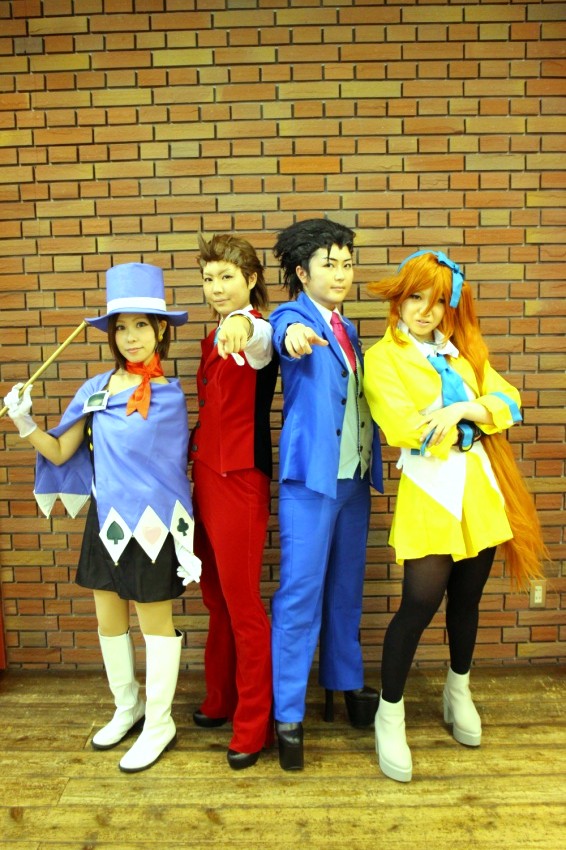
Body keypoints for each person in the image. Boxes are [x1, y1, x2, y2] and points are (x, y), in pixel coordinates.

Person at [3, 262, 201, 773]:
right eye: (121, 327)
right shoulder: (94, 389)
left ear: (161, 330)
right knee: (108, 619)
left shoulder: (171, 396)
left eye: (141, 325)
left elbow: (169, 466)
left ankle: (159, 723)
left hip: (155, 524)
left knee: (154, 623)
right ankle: (128, 706)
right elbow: (61, 450)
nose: (130, 337)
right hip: (108, 521)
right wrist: (24, 420)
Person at [364, 249, 547, 783]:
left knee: (467, 600)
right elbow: (404, 427)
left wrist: (462, 408)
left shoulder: (462, 354)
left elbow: (509, 401)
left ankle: (458, 690)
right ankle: (389, 714)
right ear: (399, 299)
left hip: (479, 490)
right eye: (416, 297)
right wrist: (475, 420)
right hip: (430, 491)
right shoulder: (383, 358)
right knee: (418, 604)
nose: (426, 310)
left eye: (439, 301)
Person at [268, 218, 383, 771]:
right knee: (299, 595)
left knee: (345, 591)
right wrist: (290, 335)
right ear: (302, 272)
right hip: (311, 483)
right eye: (328, 265)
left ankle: (346, 680)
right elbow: (282, 333)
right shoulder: (292, 317)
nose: (340, 274)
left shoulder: (350, 329)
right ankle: (288, 712)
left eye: (347, 264)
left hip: (354, 481)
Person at [189, 233, 278, 770]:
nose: (216, 287)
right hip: (205, 477)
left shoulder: (253, 329)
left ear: (250, 279)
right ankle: (220, 698)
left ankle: (253, 724)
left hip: (241, 479)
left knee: (243, 604)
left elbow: (258, 336)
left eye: (226, 277)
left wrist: (242, 325)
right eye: (208, 278)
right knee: (215, 597)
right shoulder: (212, 335)